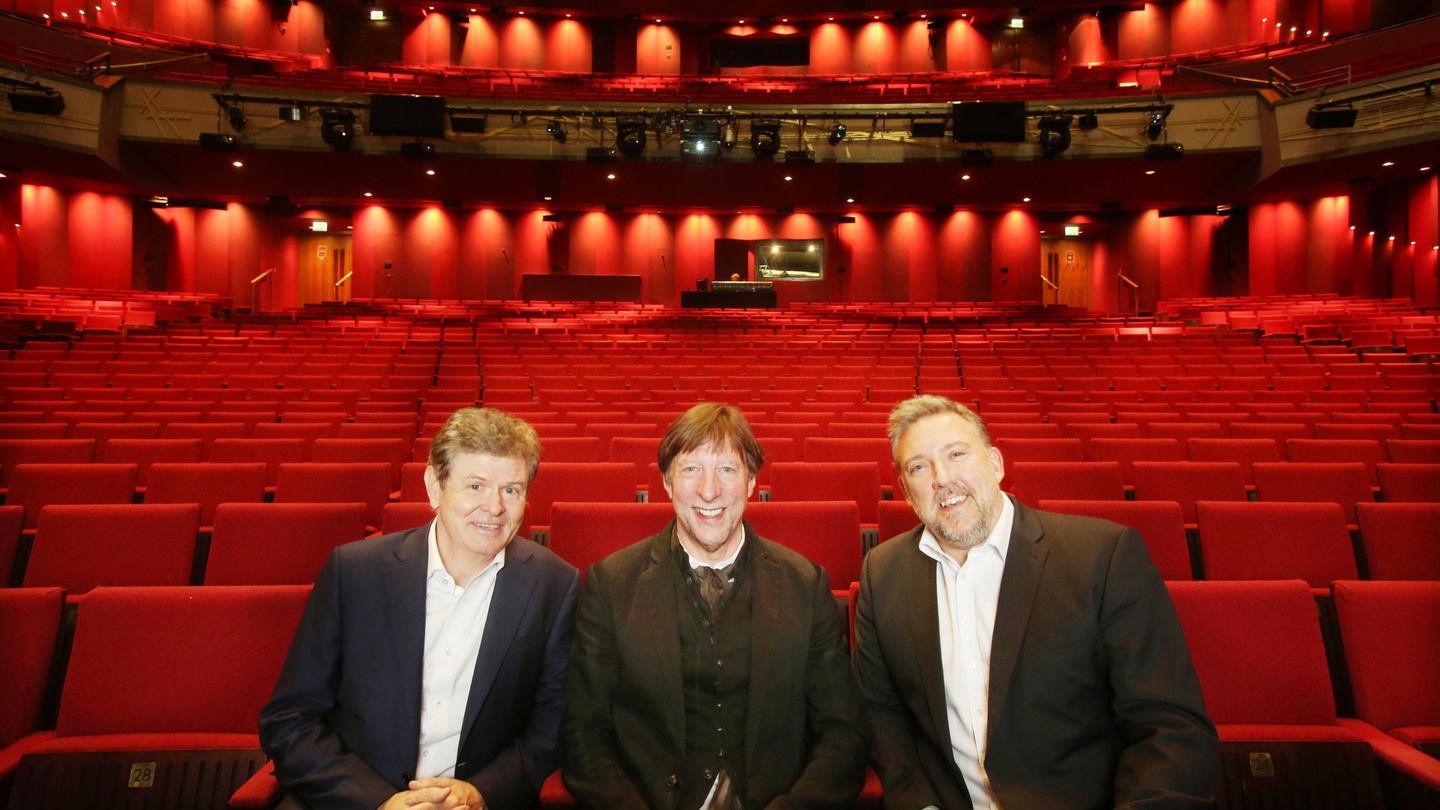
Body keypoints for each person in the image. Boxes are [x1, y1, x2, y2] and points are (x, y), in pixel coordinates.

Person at [853, 395, 1217, 810]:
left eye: (956, 454)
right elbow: (881, 713)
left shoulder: (1102, 556)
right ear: (906, 490)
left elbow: (1169, 727)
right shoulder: (882, 572)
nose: (942, 478)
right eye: (919, 467)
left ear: (995, 464)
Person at [259, 407, 580, 810]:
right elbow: (290, 718)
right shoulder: (354, 572)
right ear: (434, 487)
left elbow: (553, 722)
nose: (495, 507)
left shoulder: (555, 583)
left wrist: (483, 792)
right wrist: (379, 802)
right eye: (475, 486)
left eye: (511, 490)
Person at [562, 402, 868, 810]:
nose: (709, 490)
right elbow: (583, 732)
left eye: (727, 469)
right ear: (667, 482)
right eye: (691, 469)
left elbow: (843, 731)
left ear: (751, 481)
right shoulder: (610, 584)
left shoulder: (806, 584)